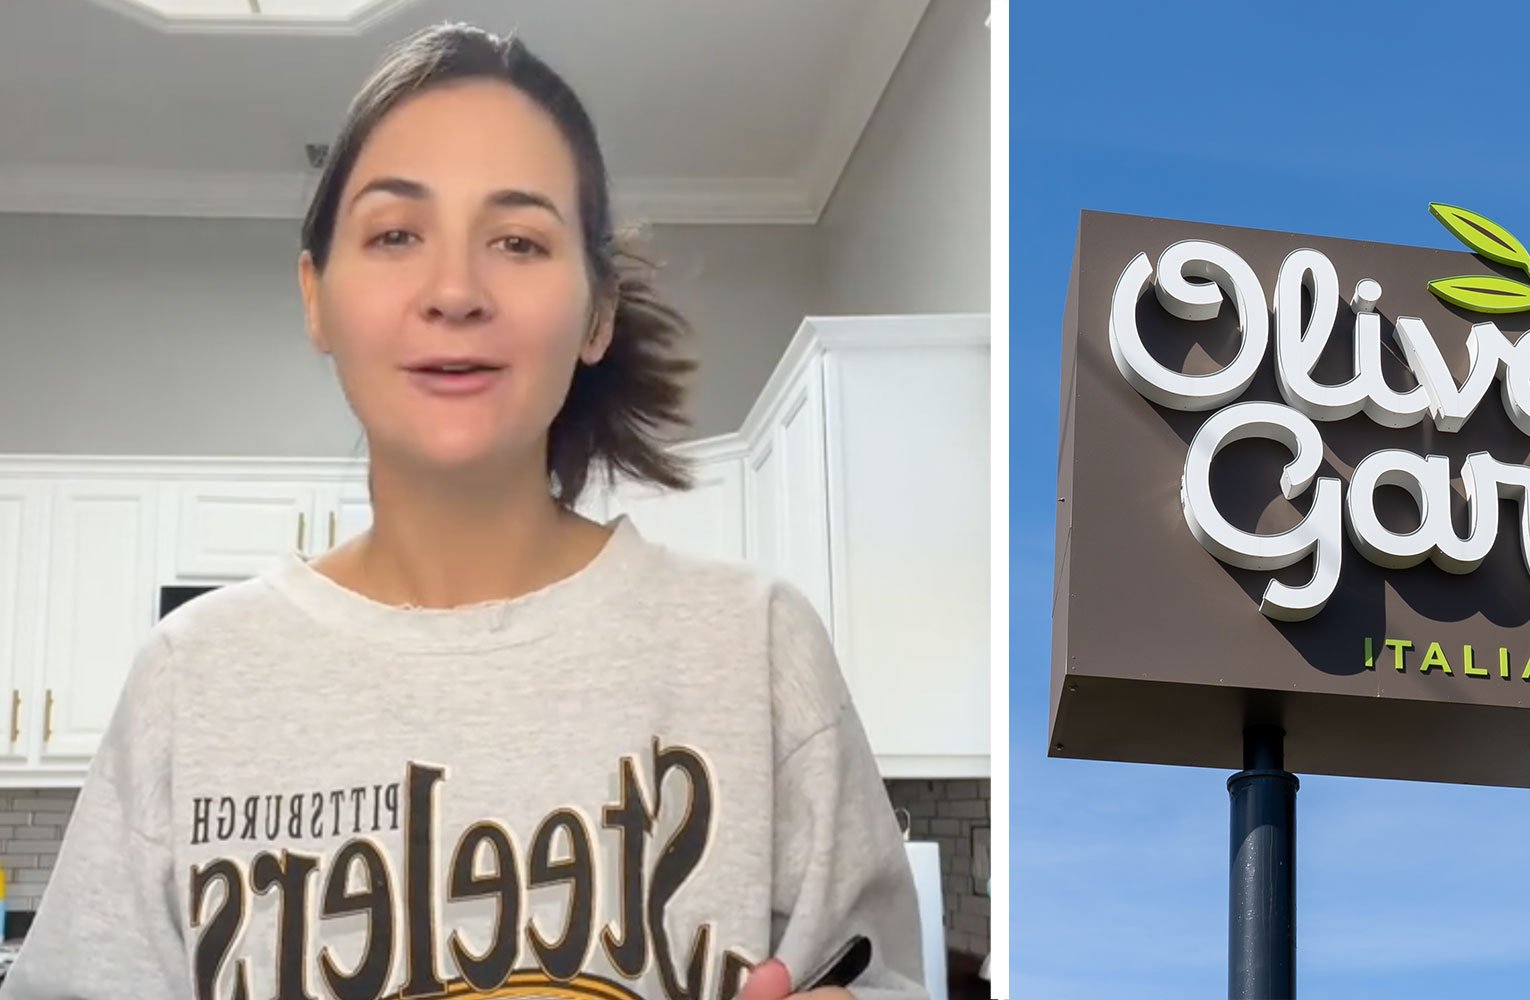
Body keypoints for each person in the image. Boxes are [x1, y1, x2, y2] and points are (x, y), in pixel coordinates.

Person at [2, 22, 923, 1000]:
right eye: (396, 234)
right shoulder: (188, 685)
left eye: (518, 240)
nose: (453, 290)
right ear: (317, 294)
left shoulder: (754, 649)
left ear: (596, 311)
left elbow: (878, 976)